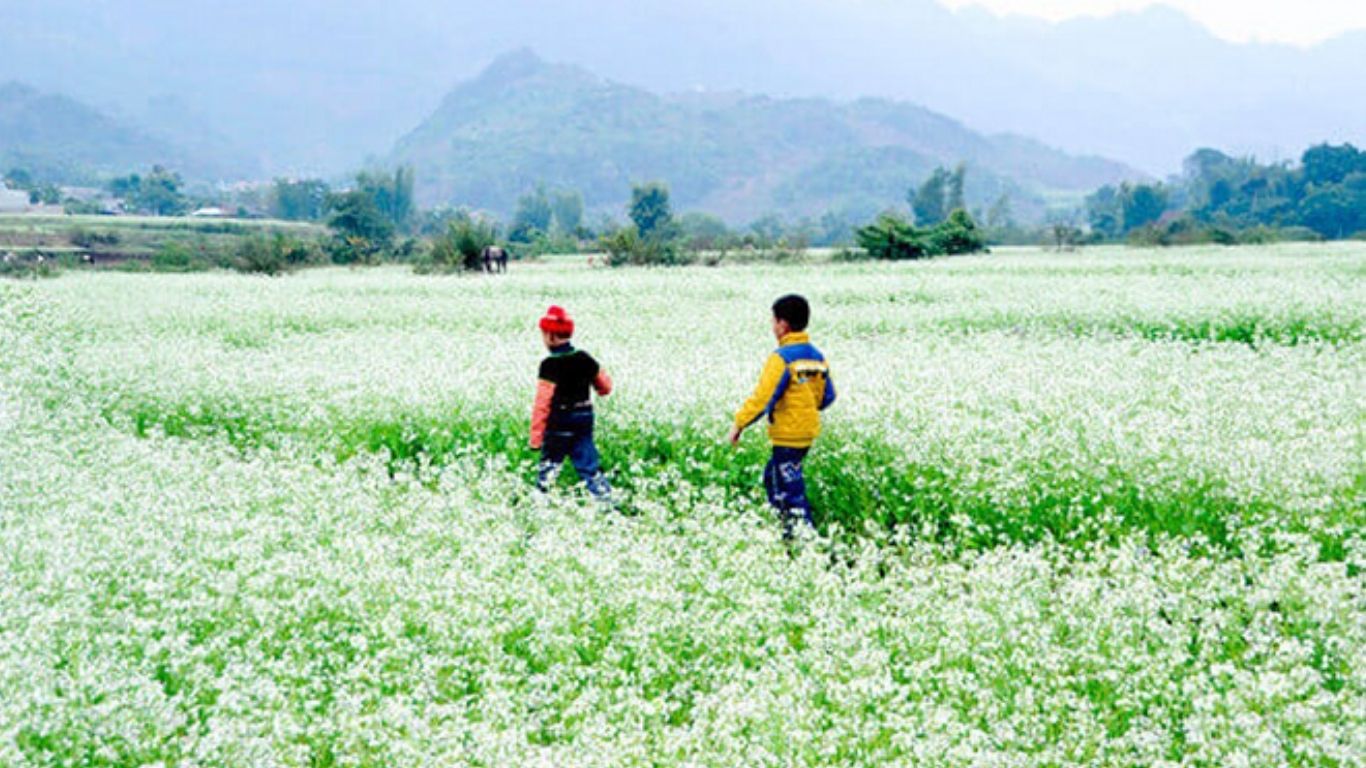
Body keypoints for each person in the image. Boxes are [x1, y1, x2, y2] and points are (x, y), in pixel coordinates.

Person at [728, 294, 835, 536]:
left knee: (787, 490)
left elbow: (763, 397)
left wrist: (739, 424)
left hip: (787, 435)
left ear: (783, 325)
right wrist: (805, 405)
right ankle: (788, 528)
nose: (772, 326)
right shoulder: (817, 356)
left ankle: (799, 536)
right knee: (773, 476)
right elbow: (827, 397)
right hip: (806, 433)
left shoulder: (782, 358)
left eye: (773, 321)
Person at [530, 305, 613, 500]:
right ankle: (607, 502)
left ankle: (539, 503)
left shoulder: (550, 365)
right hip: (584, 417)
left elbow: (542, 402)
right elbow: (606, 386)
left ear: (550, 335)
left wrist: (536, 436)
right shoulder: (585, 358)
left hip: (560, 419)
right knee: (588, 465)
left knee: (549, 467)